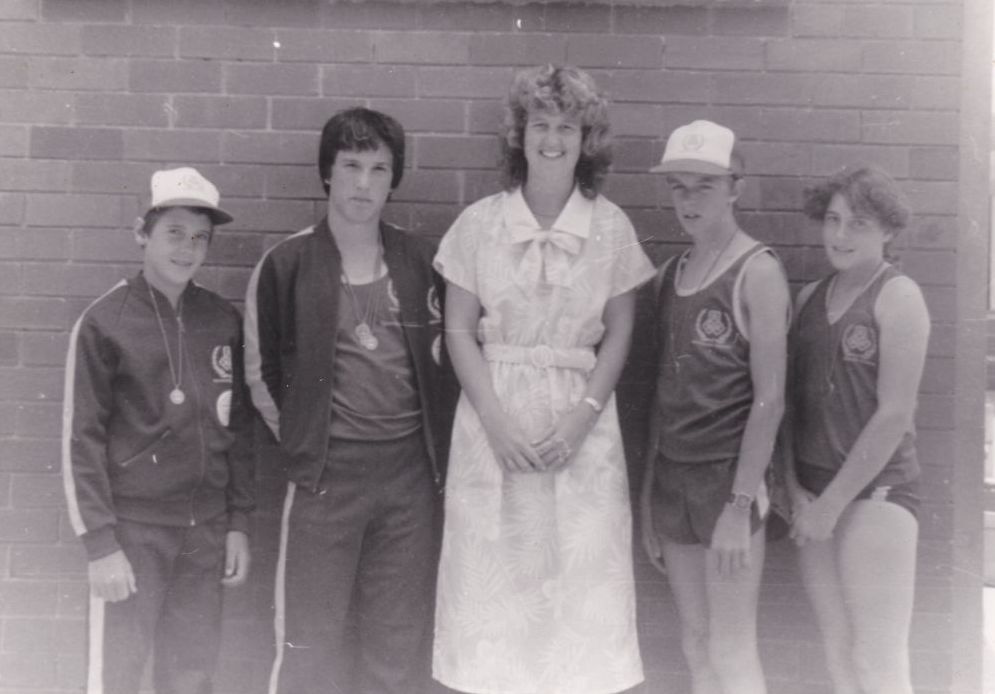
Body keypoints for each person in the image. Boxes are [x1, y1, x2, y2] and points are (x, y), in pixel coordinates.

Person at [431, 64, 652, 694]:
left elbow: (620, 333)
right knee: (498, 602)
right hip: (492, 424)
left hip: (578, 430)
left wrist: (583, 413)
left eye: (567, 127)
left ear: (587, 141)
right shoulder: (478, 225)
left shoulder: (610, 227)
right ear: (518, 136)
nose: (552, 139)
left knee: (578, 601)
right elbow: (457, 331)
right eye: (539, 125)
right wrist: (496, 423)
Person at [244, 107, 456, 694]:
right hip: (326, 475)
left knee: (396, 641)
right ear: (328, 174)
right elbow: (259, 371)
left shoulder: (422, 263)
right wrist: (307, 440)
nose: (364, 183)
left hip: (409, 478)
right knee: (310, 641)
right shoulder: (287, 264)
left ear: (394, 179)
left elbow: (450, 366)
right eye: (352, 166)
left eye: (379, 169)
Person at [61, 167, 255, 694]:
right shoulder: (105, 322)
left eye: (200, 237)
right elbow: (81, 441)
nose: (187, 248)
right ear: (142, 233)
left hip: (204, 531)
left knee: (191, 674)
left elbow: (237, 426)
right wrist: (100, 545)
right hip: (133, 532)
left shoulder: (221, 319)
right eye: (174, 233)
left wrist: (236, 521)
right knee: (117, 674)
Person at [641, 120, 790, 694]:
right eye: (678, 187)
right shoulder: (673, 274)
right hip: (676, 484)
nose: (689, 200)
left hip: (728, 483)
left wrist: (738, 504)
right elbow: (663, 397)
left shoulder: (758, 271)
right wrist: (653, 493)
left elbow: (770, 400)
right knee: (695, 641)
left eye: (704, 186)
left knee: (731, 648)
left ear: (735, 187)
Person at [785, 165, 929, 694]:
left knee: (878, 660)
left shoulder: (898, 295)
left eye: (858, 223)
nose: (840, 235)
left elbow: (894, 414)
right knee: (839, 652)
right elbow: (787, 408)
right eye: (833, 219)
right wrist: (796, 491)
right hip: (814, 496)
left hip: (877, 495)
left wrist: (829, 505)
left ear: (887, 230)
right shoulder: (807, 301)